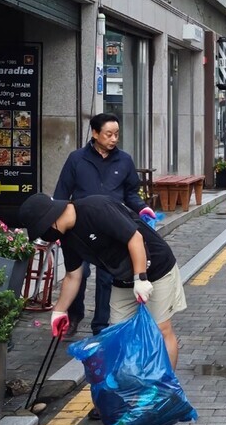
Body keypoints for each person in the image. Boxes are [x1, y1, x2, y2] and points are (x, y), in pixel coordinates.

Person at [19, 192, 186, 420]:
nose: (47, 237)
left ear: (51, 220)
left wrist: (141, 278)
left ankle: (162, 395)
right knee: (116, 338)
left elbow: (135, 238)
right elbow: (72, 276)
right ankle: (121, 396)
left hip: (155, 269)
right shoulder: (67, 237)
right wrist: (59, 310)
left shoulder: (95, 208)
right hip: (121, 277)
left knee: (161, 329)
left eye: (43, 231)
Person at [54, 113, 153, 337]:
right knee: (77, 272)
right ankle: (74, 314)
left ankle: (100, 324)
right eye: (108, 134)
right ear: (95, 133)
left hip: (112, 227)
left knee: (107, 276)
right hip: (80, 227)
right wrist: (58, 225)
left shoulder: (125, 160)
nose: (113, 139)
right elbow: (61, 194)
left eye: (117, 134)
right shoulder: (76, 159)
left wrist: (141, 208)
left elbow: (131, 193)